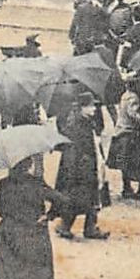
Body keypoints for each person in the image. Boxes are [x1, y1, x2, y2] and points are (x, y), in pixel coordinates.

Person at [0, 154, 74, 279]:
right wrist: (49, 215)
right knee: (37, 277)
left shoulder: (4, 185)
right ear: (29, 165)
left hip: (10, 234)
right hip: (35, 234)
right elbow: (63, 201)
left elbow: (0, 210)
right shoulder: (36, 184)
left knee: (13, 274)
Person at [54, 89, 109, 241]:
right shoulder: (77, 124)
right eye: (91, 106)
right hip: (80, 167)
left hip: (89, 164)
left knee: (91, 196)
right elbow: (74, 148)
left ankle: (88, 227)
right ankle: (66, 226)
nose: (94, 109)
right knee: (78, 197)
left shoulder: (85, 121)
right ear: (82, 107)